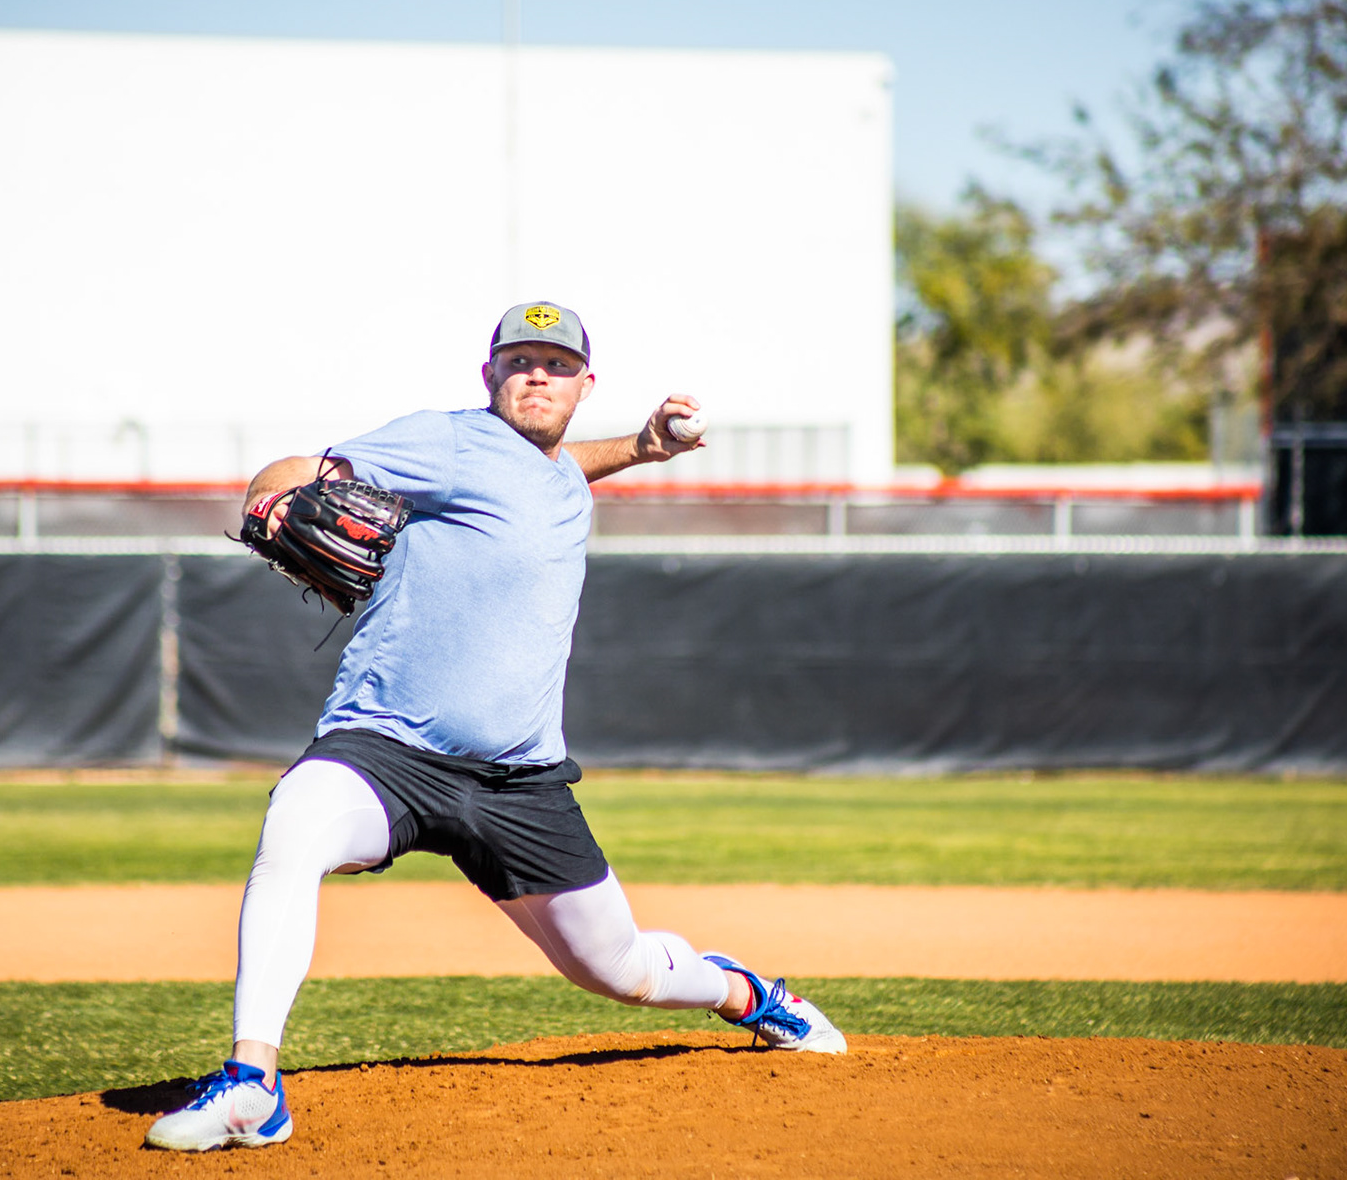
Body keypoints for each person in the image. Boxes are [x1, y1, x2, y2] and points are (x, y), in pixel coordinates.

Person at [145, 301, 846, 1152]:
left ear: (586, 384)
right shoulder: (443, 442)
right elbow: (301, 467)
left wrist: (644, 446)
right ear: (490, 376)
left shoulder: (558, 475)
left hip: (521, 783)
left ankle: (747, 995)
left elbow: (550, 469)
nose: (536, 375)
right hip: (388, 749)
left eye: (555, 364)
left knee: (620, 971)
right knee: (295, 824)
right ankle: (253, 1083)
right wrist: (271, 491)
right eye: (519, 360)